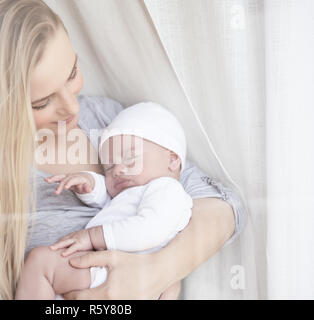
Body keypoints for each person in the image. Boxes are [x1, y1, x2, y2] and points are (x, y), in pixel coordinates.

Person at [0, 0, 246, 300]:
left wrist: (153, 273)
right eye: (42, 102)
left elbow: (224, 206)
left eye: (73, 73)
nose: (72, 108)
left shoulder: (110, 122)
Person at [15, 102, 193, 300]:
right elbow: (109, 201)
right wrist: (89, 182)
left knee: (41, 262)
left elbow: (150, 228)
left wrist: (92, 237)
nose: (117, 170)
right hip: (109, 274)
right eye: (109, 167)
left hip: (120, 273)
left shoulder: (167, 189)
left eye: (130, 158)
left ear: (173, 160)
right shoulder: (132, 194)